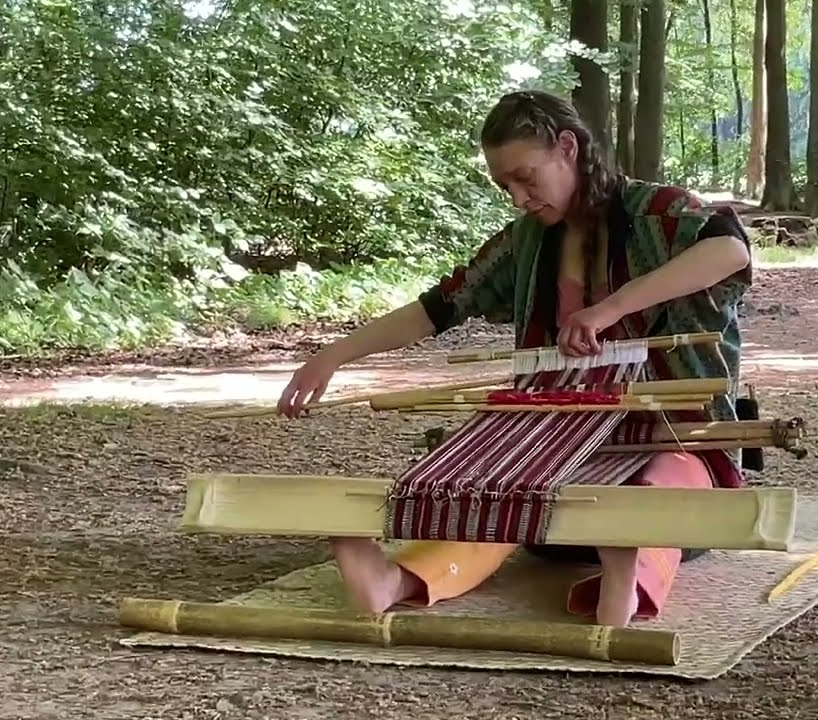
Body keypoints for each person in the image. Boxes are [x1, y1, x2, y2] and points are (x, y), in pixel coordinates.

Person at [275, 90, 753, 627]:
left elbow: (729, 249)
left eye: (526, 177)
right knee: (495, 497)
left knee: (662, 489)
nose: (517, 197)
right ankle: (397, 580)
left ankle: (621, 577)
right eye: (505, 184)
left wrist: (608, 309)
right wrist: (334, 355)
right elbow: (439, 307)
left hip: (672, 432)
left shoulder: (658, 213)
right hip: (553, 440)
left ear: (568, 148)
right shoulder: (524, 244)